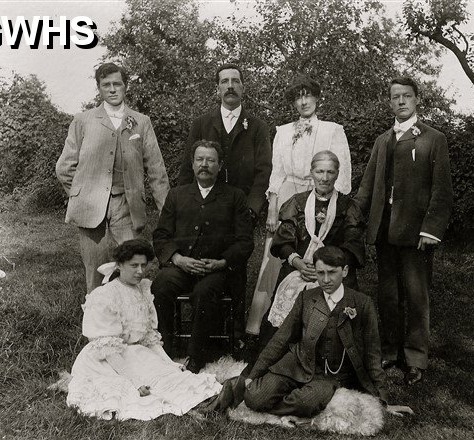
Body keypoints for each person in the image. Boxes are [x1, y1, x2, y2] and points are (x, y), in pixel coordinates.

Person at [66, 239, 243, 421]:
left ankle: (210, 401)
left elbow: (149, 337)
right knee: (149, 384)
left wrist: (168, 363)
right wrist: (134, 382)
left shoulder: (143, 290)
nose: (140, 271)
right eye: (134, 265)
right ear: (119, 265)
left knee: (170, 374)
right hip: (108, 358)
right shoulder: (105, 296)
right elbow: (107, 348)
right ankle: (201, 408)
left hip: (136, 351)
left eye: (144, 265)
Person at [354, 77, 453, 385]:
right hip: (385, 230)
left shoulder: (432, 138)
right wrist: (354, 219)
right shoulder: (383, 140)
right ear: (389, 102)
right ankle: (390, 351)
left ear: (416, 100)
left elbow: (442, 190)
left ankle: (415, 358)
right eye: (395, 97)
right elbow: (368, 185)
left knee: (415, 295)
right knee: (387, 295)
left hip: (415, 233)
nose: (400, 101)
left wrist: (430, 229)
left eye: (406, 96)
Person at [245, 75, 352, 336]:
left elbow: (344, 173)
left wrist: (329, 206)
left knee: (317, 250)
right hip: (288, 195)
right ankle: (262, 322)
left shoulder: (332, 130)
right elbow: (276, 173)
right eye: (298, 97)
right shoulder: (283, 131)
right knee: (276, 254)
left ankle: (316, 318)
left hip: (321, 194)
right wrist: (272, 208)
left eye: (308, 95)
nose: (303, 101)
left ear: (317, 98)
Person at [56, 62, 169, 295]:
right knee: (95, 271)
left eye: (117, 84)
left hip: (127, 205)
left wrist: (167, 211)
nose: (112, 89)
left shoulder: (141, 121)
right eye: (106, 85)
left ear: (126, 86)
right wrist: (80, 195)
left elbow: (157, 170)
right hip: (90, 206)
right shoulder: (83, 121)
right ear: (99, 88)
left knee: (134, 266)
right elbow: (64, 167)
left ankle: (133, 324)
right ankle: (95, 329)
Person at [177, 63, 272, 337]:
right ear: (217, 88)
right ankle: (203, 327)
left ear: (243, 87)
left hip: (240, 212)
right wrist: (185, 206)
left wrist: (252, 209)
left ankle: (235, 332)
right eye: (224, 81)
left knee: (235, 266)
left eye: (235, 81)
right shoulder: (202, 124)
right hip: (205, 208)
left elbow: (263, 171)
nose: (230, 86)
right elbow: (187, 168)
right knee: (204, 262)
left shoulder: (256, 127)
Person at [243, 246, 388, 418]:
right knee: (254, 397)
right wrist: (254, 375)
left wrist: (382, 400)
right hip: (297, 365)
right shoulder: (306, 297)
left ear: (345, 271)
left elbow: (373, 354)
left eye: (332, 272)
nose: (326, 279)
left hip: (329, 377)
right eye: (320, 273)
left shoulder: (362, 303)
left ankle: (286, 408)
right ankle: (291, 408)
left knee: (305, 402)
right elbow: (280, 340)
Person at [151, 140, 254, 374]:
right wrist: (177, 259)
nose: (204, 165)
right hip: (182, 266)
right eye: (200, 159)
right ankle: (165, 350)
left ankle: (195, 357)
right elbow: (161, 235)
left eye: (210, 160)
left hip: (217, 269)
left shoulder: (234, 196)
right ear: (193, 163)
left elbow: (245, 241)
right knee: (161, 285)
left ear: (220, 165)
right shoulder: (177, 195)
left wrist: (223, 262)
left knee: (204, 292)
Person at [258, 150, 365, 350]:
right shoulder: (297, 202)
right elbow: (282, 242)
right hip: (300, 267)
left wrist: (326, 268)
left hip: (334, 269)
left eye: (330, 172)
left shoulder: (347, 206)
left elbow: (353, 244)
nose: (324, 178)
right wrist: (298, 262)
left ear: (337, 174)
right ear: (311, 173)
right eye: (320, 172)